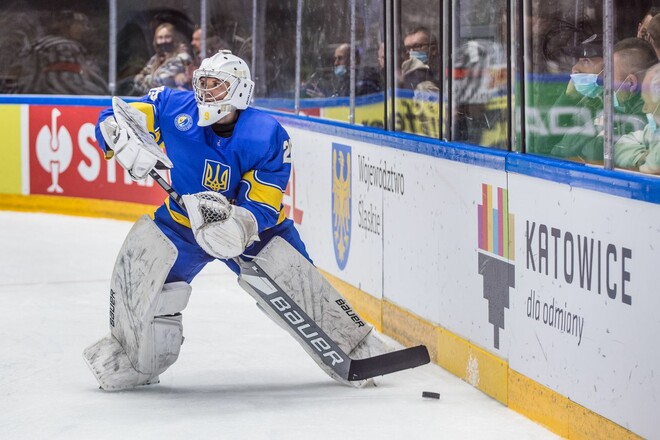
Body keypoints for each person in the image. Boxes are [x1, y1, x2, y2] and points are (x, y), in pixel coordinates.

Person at [84, 50, 394, 391]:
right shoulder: (172, 106)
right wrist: (112, 133)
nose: (205, 93)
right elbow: (121, 116)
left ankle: (356, 348)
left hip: (254, 232)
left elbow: (263, 202)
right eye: (202, 83)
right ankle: (132, 359)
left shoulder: (266, 134)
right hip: (182, 224)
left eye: (216, 86)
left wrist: (238, 226)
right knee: (144, 282)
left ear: (240, 91)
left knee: (302, 292)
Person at [550, 36, 656, 162]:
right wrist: (568, 98)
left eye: (609, 75)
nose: (604, 82)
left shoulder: (648, 115)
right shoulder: (609, 103)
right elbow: (552, 147)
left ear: (631, 83)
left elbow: (596, 151)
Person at [14, 10, 108, 95]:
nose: (86, 29)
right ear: (65, 25)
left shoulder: (41, 44)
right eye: (82, 24)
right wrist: (101, 94)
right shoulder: (63, 46)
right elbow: (64, 83)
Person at [615, 61, 660, 174]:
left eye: (647, 102)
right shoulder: (653, 129)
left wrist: (650, 160)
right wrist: (641, 158)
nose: (644, 109)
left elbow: (653, 168)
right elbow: (620, 144)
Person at [132, 22, 193, 94]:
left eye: (167, 37)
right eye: (160, 38)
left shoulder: (182, 57)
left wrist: (145, 80)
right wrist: (146, 81)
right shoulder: (155, 59)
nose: (164, 41)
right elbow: (137, 80)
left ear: (174, 38)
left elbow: (163, 81)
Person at [302, 43, 381, 98]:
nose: (336, 63)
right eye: (335, 59)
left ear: (354, 60)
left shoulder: (363, 83)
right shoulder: (344, 81)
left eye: (340, 58)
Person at [400, 26, 439, 91]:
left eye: (417, 46)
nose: (411, 52)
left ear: (433, 49)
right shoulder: (405, 76)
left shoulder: (444, 71)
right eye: (408, 48)